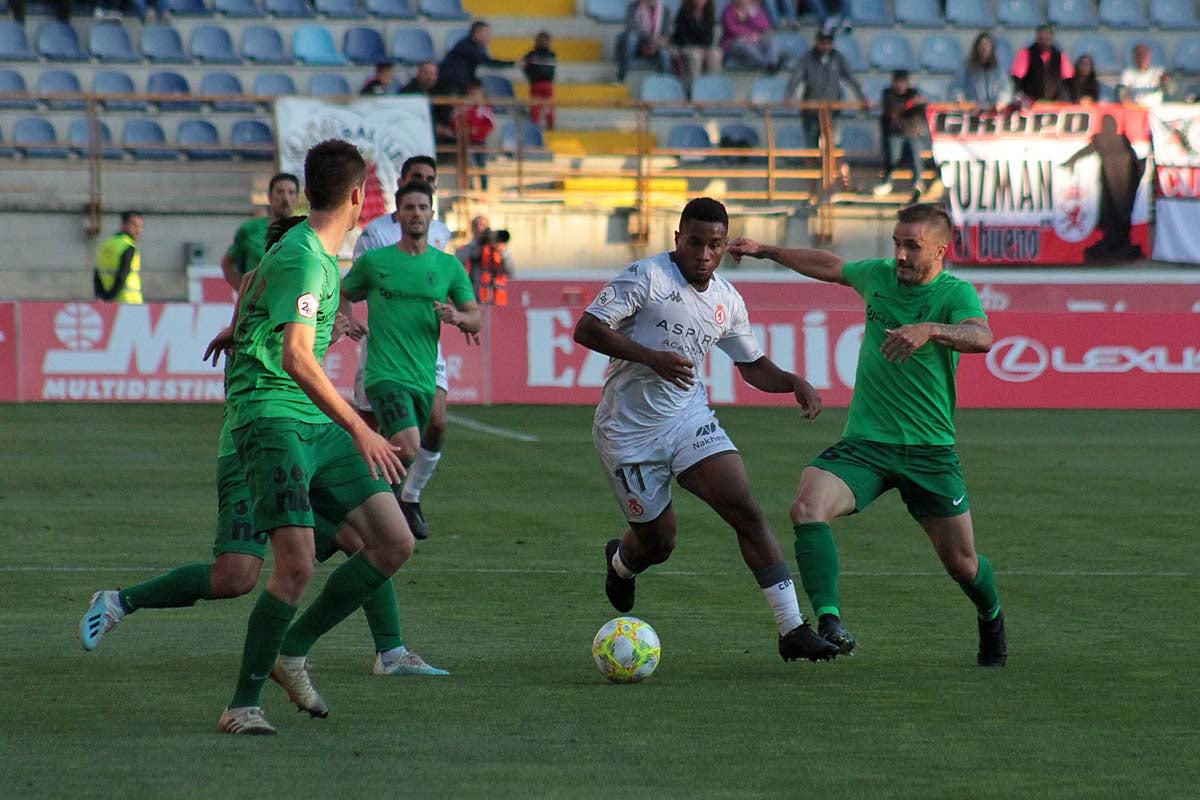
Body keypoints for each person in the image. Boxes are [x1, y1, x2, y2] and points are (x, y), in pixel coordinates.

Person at [78, 220, 447, 686]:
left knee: (368, 539)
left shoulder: (286, 293)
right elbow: (289, 363)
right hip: (259, 451)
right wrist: (337, 363)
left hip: (308, 445)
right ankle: (119, 602)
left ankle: (387, 651)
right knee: (234, 577)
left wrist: (326, 329)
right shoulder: (274, 292)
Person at [726, 203, 1007, 667]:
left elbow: (983, 338)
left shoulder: (955, 294)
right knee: (806, 506)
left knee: (963, 565)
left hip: (929, 452)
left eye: (911, 246)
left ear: (941, 249)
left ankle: (991, 615)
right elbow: (832, 266)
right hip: (866, 445)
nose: (899, 254)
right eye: (896, 243)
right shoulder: (878, 275)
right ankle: (829, 619)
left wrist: (930, 330)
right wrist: (765, 250)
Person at [572, 197, 839, 664]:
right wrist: (651, 357)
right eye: (695, 242)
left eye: (714, 245)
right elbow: (587, 329)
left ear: (724, 247)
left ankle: (791, 628)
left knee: (745, 507)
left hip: (687, 419)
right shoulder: (647, 277)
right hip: (627, 433)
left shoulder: (727, 301)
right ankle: (620, 562)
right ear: (678, 239)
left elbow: (751, 364)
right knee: (659, 543)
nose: (703, 254)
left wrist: (792, 382)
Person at [214, 139, 417, 735]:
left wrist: (238, 328)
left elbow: (254, 279)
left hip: (308, 418)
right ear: (358, 196)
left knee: (392, 540)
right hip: (272, 417)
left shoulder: (316, 255)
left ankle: (290, 650)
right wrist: (360, 428)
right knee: (297, 564)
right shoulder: (307, 258)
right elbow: (298, 357)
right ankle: (242, 705)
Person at [341, 181, 481, 539]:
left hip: (422, 376)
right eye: (409, 208)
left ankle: (350, 498)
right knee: (410, 446)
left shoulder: (448, 266)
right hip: (384, 373)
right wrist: (347, 318)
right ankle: (374, 502)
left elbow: (474, 316)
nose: (416, 214)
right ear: (398, 214)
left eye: (422, 208)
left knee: (400, 449)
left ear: (432, 216)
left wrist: (457, 317)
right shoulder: (375, 262)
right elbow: (341, 290)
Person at [353, 155, 455, 539]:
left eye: (430, 179)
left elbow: (452, 284)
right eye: (417, 179)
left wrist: (459, 314)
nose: (424, 184)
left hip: (427, 347)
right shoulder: (376, 234)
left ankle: (409, 498)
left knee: (437, 422)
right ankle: (362, 504)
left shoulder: (442, 232)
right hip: (385, 348)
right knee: (371, 429)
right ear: (401, 186)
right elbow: (357, 283)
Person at [786, 31, 869, 185]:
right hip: (811, 114)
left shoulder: (838, 58)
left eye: (828, 42)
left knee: (835, 149)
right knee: (811, 152)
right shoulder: (807, 58)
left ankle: (845, 185)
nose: (825, 45)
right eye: (822, 42)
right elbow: (795, 78)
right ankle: (812, 188)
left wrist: (863, 98)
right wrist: (788, 96)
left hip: (832, 114)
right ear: (816, 41)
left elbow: (852, 79)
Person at [1062, 114, 1146, 262]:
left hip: (1123, 187)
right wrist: (1070, 161)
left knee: (1118, 216)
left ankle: (1119, 244)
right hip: (1112, 188)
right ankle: (1114, 244)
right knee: (1112, 216)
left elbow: (1133, 161)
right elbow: (1086, 151)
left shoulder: (1120, 139)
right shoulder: (1106, 138)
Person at [221, 172, 300, 291]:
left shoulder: (304, 233)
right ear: (269, 196)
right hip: (257, 306)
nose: (286, 198)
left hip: (288, 304)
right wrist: (242, 292)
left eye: (291, 192)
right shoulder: (250, 229)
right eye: (280, 192)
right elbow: (227, 263)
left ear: (297, 198)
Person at [872, 70, 930, 199]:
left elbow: (922, 108)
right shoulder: (888, 94)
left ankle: (917, 184)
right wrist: (910, 104)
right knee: (893, 156)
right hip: (894, 133)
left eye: (902, 82)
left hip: (912, 133)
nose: (899, 85)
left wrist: (918, 104)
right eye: (897, 82)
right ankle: (887, 182)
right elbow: (892, 110)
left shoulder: (913, 93)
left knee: (916, 155)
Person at [436, 21, 515, 98]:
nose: (489, 37)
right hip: (452, 85)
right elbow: (487, 61)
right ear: (477, 33)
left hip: (458, 84)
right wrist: (512, 63)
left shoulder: (471, 46)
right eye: (486, 34)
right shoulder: (467, 47)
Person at [949, 32, 1013, 109]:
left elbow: (1005, 90)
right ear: (977, 47)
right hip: (971, 110)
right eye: (981, 45)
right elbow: (956, 87)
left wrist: (1000, 101)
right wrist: (959, 98)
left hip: (993, 111)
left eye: (987, 45)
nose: (984, 48)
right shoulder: (966, 67)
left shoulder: (998, 69)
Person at [453, 78, 496, 191]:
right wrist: (463, 130)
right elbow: (454, 121)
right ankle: (469, 188)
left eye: (477, 93)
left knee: (481, 165)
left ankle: (484, 188)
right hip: (466, 141)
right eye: (472, 93)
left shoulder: (484, 108)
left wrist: (479, 131)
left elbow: (490, 124)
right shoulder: (462, 108)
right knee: (468, 165)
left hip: (480, 141)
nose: (474, 96)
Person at [1011, 25, 1073, 103]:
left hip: (1055, 102)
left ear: (1052, 38)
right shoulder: (1025, 53)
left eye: (1046, 39)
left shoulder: (1061, 56)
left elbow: (1068, 80)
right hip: (1030, 102)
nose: (1044, 42)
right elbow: (1017, 78)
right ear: (1036, 38)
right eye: (1041, 39)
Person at [94, 211, 144, 304]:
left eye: (140, 226)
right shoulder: (128, 246)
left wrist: (101, 296)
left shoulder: (106, 245)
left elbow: (97, 273)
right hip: (130, 301)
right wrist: (110, 297)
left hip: (106, 301)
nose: (138, 230)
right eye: (134, 225)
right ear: (123, 224)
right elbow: (122, 275)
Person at [616, 0, 673, 82]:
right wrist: (651, 39)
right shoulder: (633, 7)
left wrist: (655, 45)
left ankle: (665, 84)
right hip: (638, 45)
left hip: (655, 47)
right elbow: (631, 28)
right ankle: (621, 78)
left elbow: (666, 35)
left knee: (665, 54)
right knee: (632, 39)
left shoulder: (665, 10)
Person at [671, 0, 722, 91]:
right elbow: (681, 37)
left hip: (702, 47)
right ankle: (695, 90)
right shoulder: (683, 12)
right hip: (685, 46)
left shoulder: (709, 13)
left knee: (716, 54)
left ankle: (712, 88)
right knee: (695, 56)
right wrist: (698, 48)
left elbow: (709, 36)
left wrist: (705, 49)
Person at [719, 0, 781, 73]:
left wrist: (749, 16)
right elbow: (731, 28)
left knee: (773, 42)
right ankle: (768, 65)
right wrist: (749, 35)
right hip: (735, 41)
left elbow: (764, 25)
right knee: (747, 48)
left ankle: (772, 62)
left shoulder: (753, 10)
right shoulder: (729, 10)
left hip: (756, 40)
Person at [400, 61, 456, 142]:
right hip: (415, 134)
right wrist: (433, 127)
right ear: (419, 73)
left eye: (434, 74)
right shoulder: (407, 92)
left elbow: (446, 113)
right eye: (427, 73)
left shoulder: (441, 91)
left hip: (439, 137)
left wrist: (444, 128)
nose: (430, 78)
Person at [524, 32, 557, 130]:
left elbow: (525, 66)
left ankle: (535, 125)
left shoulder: (531, 55)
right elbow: (552, 71)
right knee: (548, 105)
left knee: (535, 106)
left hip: (536, 84)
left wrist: (530, 76)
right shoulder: (551, 55)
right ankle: (550, 124)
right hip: (547, 83)